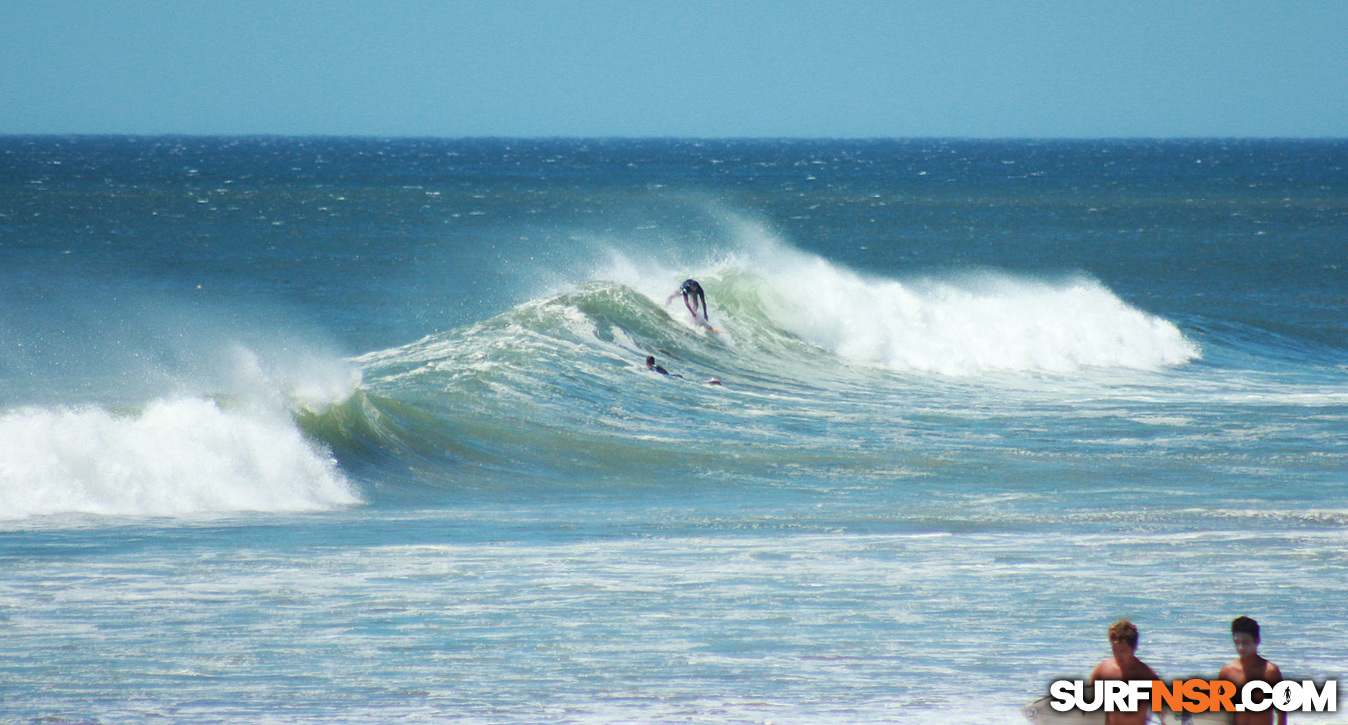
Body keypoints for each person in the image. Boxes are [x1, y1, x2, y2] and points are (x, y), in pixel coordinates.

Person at [1089, 620, 1162, 725]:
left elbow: (1162, 709)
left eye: (1123, 650)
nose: (1118, 655)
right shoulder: (1103, 669)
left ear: (1134, 648)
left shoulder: (1146, 675)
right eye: (1115, 650)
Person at [1218, 617, 1286, 725]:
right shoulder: (1227, 672)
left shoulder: (1270, 672)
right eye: (1236, 642)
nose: (1240, 647)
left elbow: (1281, 712)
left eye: (1245, 642)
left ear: (1257, 641)